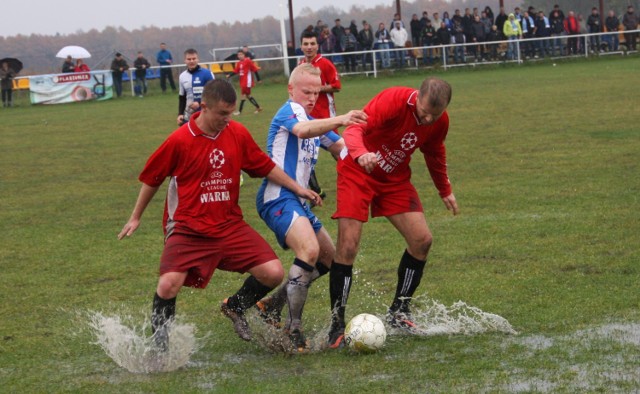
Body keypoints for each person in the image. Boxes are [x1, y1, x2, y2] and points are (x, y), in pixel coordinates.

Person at [117, 79, 322, 349]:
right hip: (188, 228)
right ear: (204, 107)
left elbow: (264, 166)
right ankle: (159, 348)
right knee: (168, 284)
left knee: (273, 273)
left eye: (232, 113)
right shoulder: (180, 140)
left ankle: (235, 307)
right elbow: (152, 178)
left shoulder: (237, 134)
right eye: (222, 114)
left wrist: (298, 188)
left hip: (228, 225)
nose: (228, 119)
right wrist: (135, 216)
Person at [325, 77, 459, 348]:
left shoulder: (438, 122)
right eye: (424, 113)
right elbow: (353, 129)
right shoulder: (393, 101)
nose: (428, 119)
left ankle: (399, 311)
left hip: (394, 178)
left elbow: (434, 152)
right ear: (417, 98)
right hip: (357, 170)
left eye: (435, 115)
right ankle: (336, 325)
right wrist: (362, 153)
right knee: (348, 247)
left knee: (422, 240)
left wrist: (444, 189)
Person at [254, 64, 367, 352]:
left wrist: (367, 156)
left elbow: (342, 149)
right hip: (278, 196)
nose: (311, 97)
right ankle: (294, 329)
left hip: (300, 201)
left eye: (316, 92)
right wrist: (341, 117)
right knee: (309, 251)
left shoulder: (316, 121)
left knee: (329, 260)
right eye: (306, 91)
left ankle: (272, 305)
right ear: (290, 89)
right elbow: (302, 130)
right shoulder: (289, 113)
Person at [298, 30, 343, 201]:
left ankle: (357, 178)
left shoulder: (324, 64)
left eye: (312, 44)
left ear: (317, 46)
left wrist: (317, 88)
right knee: (305, 152)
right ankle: (318, 191)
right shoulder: (301, 65)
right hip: (307, 117)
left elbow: (337, 86)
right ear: (301, 46)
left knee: (339, 152)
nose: (309, 47)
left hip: (325, 117)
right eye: (306, 44)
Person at [177, 48, 215, 126]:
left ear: (198, 60)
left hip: (205, 113)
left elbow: (214, 94)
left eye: (194, 59)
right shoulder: (182, 76)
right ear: (185, 61)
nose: (191, 61)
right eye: (189, 59)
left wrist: (199, 103)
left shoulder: (207, 74)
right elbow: (182, 97)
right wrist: (180, 114)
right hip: (188, 115)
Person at [226, 49, 262, 115]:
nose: (240, 56)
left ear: (244, 55)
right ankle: (258, 107)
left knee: (243, 96)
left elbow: (254, 69)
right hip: (242, 81)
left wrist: (258, 79)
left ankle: (239, 111)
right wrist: (229, 75)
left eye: (241, 54)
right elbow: (236, 71)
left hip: (247, 81)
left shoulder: (248, 61)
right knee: (248, 96)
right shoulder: (239, 63)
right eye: (238, 55)